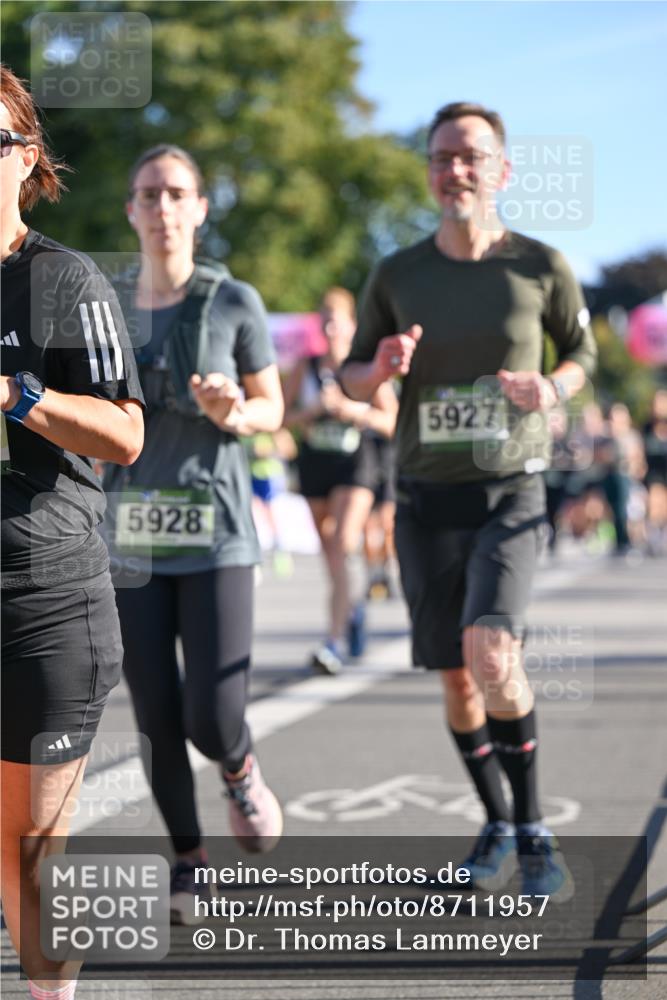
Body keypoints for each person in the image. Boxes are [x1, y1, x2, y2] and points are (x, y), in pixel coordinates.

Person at [340, 101, 597, 895]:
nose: (455, 169)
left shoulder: (539, 265)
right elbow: (348, 374)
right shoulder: (397, 273)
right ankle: (494, 822)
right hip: (424, 497)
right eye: (442, 156)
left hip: (509, 492)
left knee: (492, 653)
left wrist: (550, 386)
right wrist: (377, 366)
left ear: (501, 171)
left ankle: (533, 833)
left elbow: (582, 351)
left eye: (471, 156)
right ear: (429, 171)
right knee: (456, 677)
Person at [103, 144, 284, 925]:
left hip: (216, 535)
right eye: (149, 194)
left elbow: (272, 407)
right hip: (131, 542)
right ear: (131, 211)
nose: (163, 207)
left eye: (177, 193)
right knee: (154, 714)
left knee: (211, 715)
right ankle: (188, 860)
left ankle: (239, 769)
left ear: (200, 208)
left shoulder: (233, 300)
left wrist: (232, 414)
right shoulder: (101, 304)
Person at [0, 65, 144, 1000]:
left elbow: (127, 433)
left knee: (27, 859)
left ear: (26, 160)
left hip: (42, 605)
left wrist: (18, 396)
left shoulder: (61, 279)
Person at [283, 287, 397, 674]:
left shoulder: (362, 368)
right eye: (325, 318)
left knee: (343, 540)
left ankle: (333, 641)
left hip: (356, 464)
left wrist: (352, 410)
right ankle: (353, 609)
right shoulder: (306, 366)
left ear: (352, 325)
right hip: (316, 463)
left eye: (338, 318)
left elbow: (391, 420)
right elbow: (280, 417)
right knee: (331, 554)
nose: (331, 326)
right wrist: (311, 412)